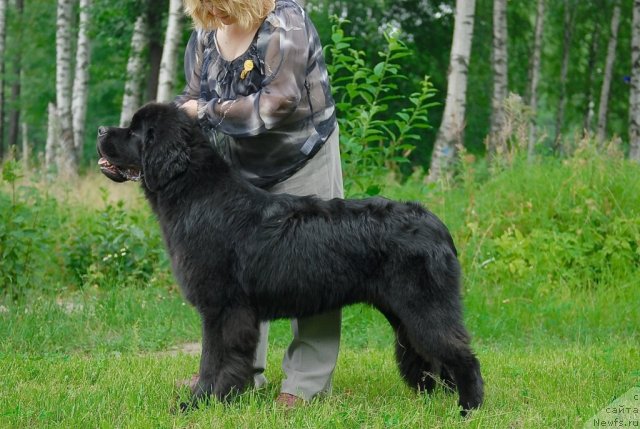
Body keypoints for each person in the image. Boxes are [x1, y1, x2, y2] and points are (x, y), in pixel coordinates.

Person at [174, 0, 344, 407]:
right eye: (206, 7)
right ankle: (236, 372)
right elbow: (191, 96)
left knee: (315, 267)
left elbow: (278, 103)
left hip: (301, 156)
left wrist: (205, 111)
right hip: (238, 170)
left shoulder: (286, 21)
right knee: (235, 273)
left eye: (221, 5)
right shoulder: (205, 35)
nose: (216, 15)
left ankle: (306, 383)